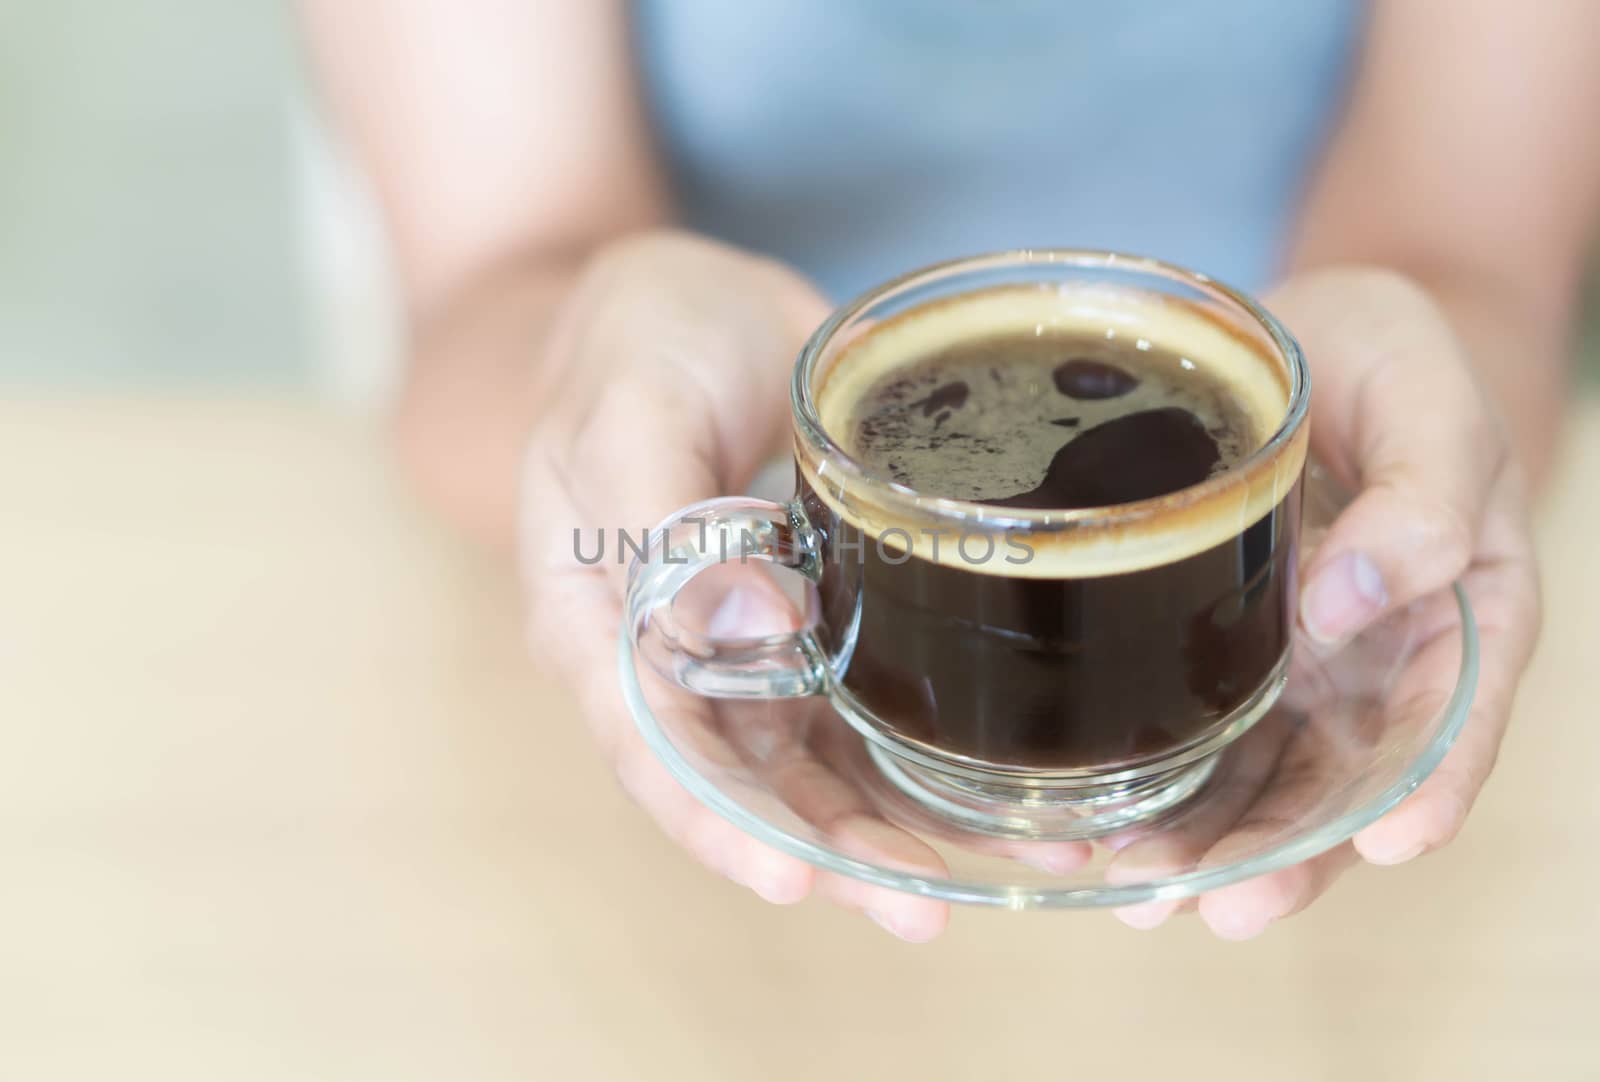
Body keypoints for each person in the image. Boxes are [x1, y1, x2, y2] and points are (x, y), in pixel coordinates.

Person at [301, 0, 1598, 940]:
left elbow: (1471, 269)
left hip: (1352, 890)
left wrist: (1420, 442)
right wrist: (597, 380)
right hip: (643, 892)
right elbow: (486, 301)